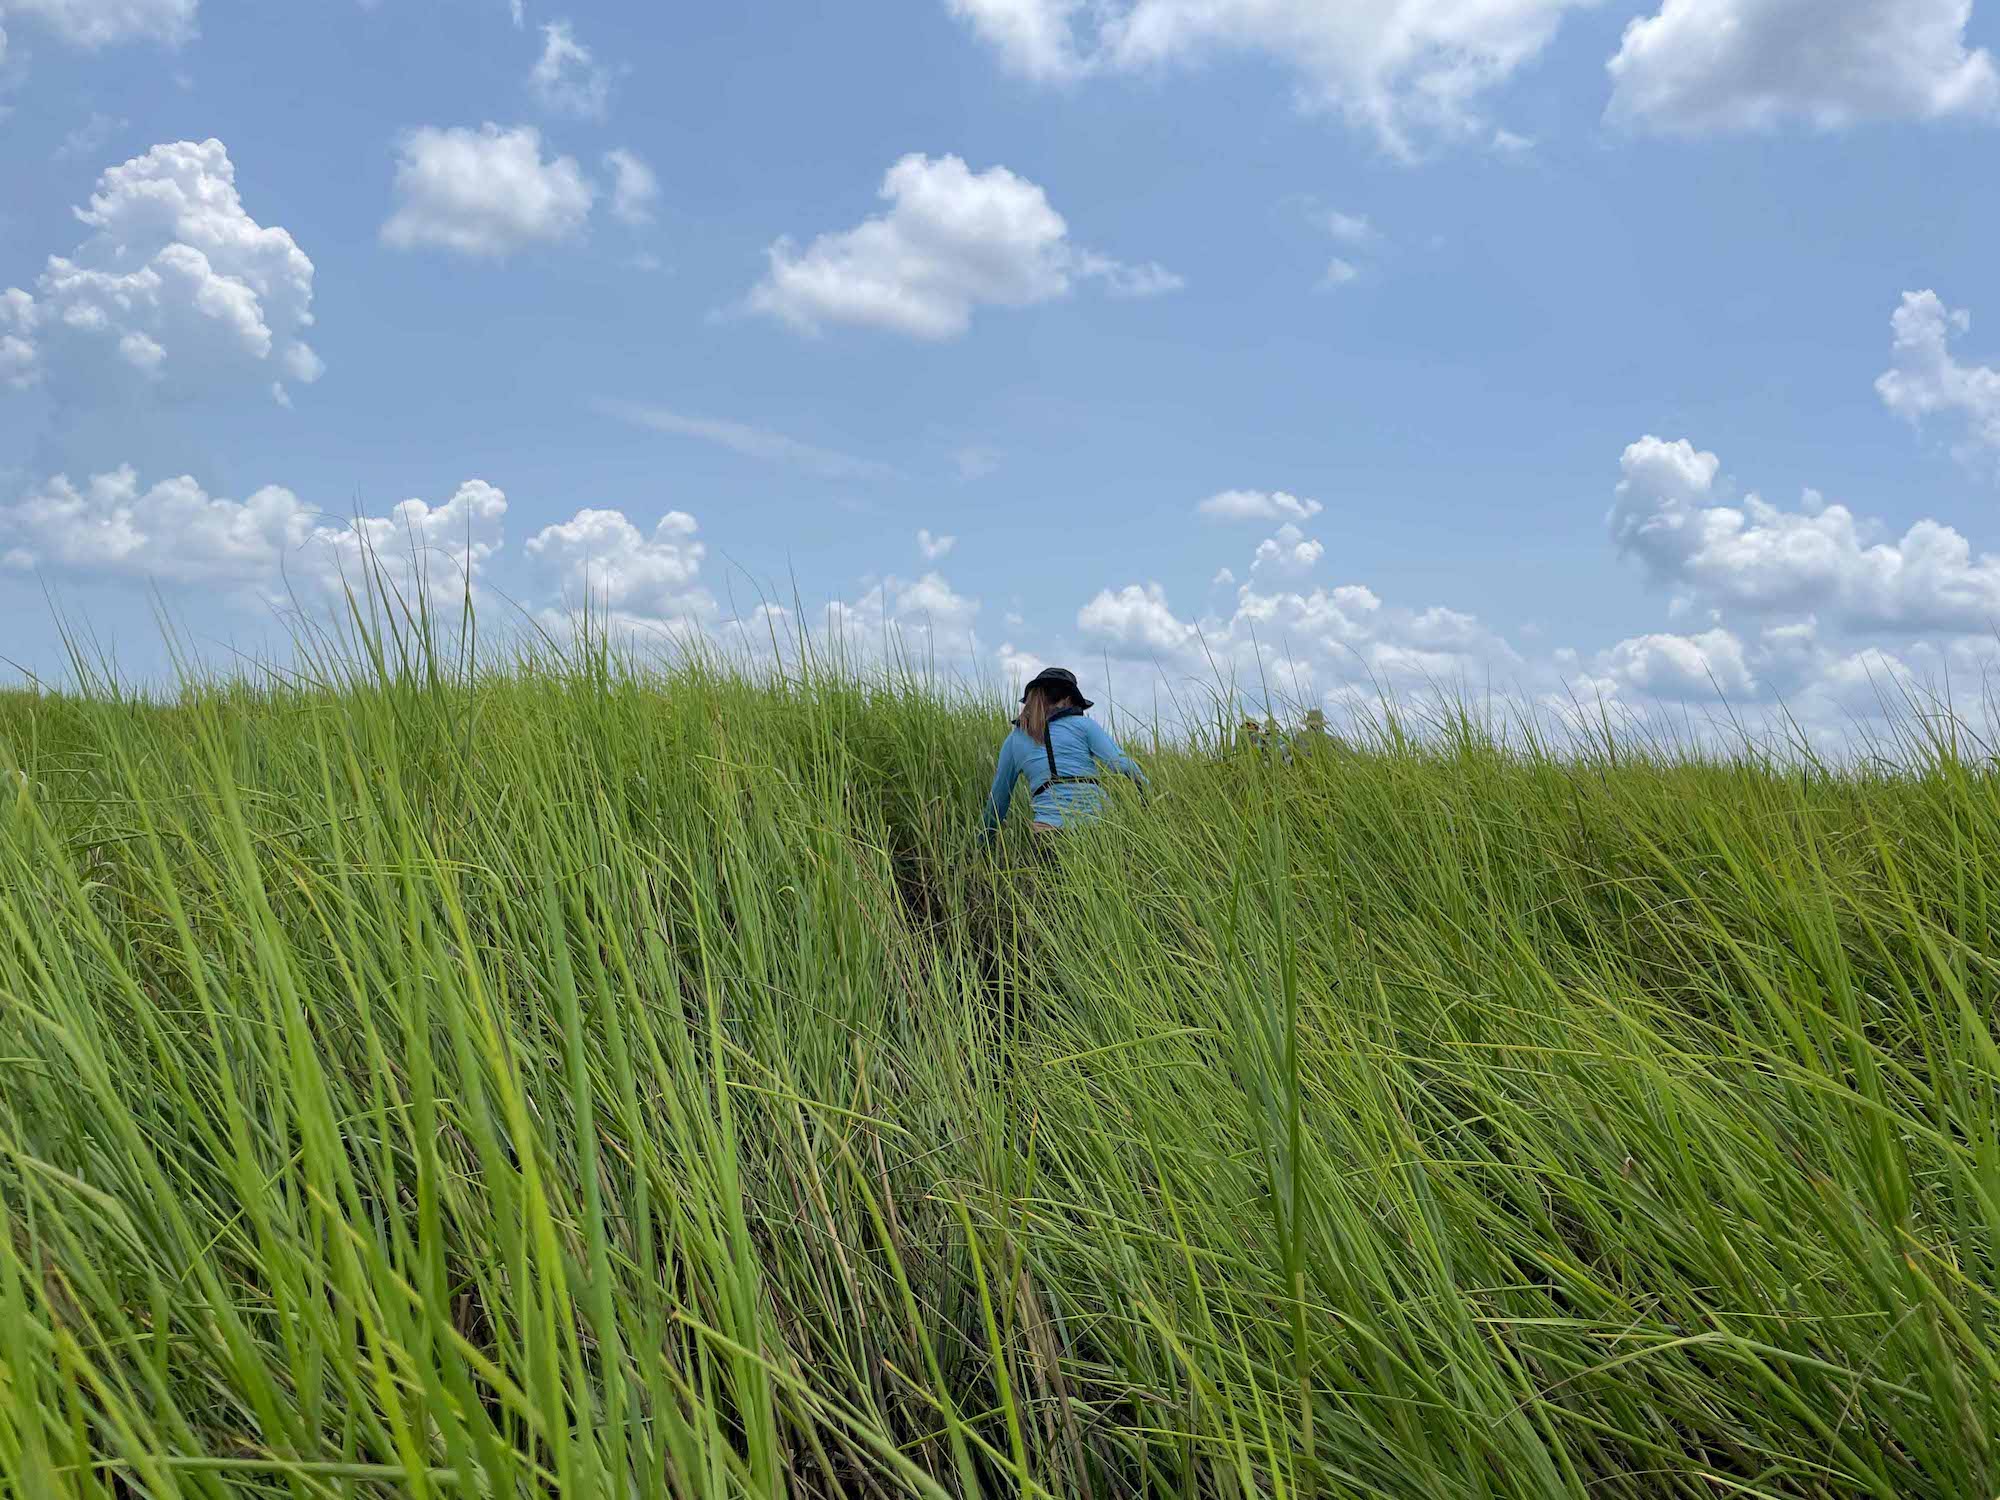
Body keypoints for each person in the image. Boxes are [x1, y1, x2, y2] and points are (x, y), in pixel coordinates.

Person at [982, 667, 1146, 841]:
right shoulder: (1084, 725)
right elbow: (1122, 764)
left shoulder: (1015, 738)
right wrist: (1147, 796)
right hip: (1097, 827)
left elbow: (998, 798)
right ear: (1068, 700)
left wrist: (983, 842)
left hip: (1047, 832)